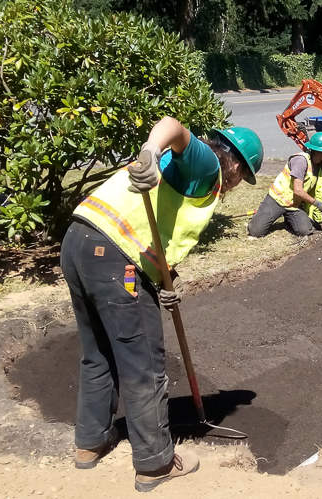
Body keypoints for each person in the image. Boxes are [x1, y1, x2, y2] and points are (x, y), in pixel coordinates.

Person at [60, 116, 262, 492]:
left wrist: (166, 277)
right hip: (114, 260)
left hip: (78, 242)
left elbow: (160, 226)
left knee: (98, 354)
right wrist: (151, 151)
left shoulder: (184, 169)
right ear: (234, 164)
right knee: (144, 366)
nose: (236, 185)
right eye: (242, 177)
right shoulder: (207, 165)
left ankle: (92, 441)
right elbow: (172, 125)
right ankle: (156, 463)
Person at [247, 132, 322, 238]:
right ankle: (263, 216)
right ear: (318, 151)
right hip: (277, 200)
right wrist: (317, 203)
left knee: (305, 230)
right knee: (256, 232)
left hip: (294, 205)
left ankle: (288, 220)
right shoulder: (301, 161)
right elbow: (298, 190)